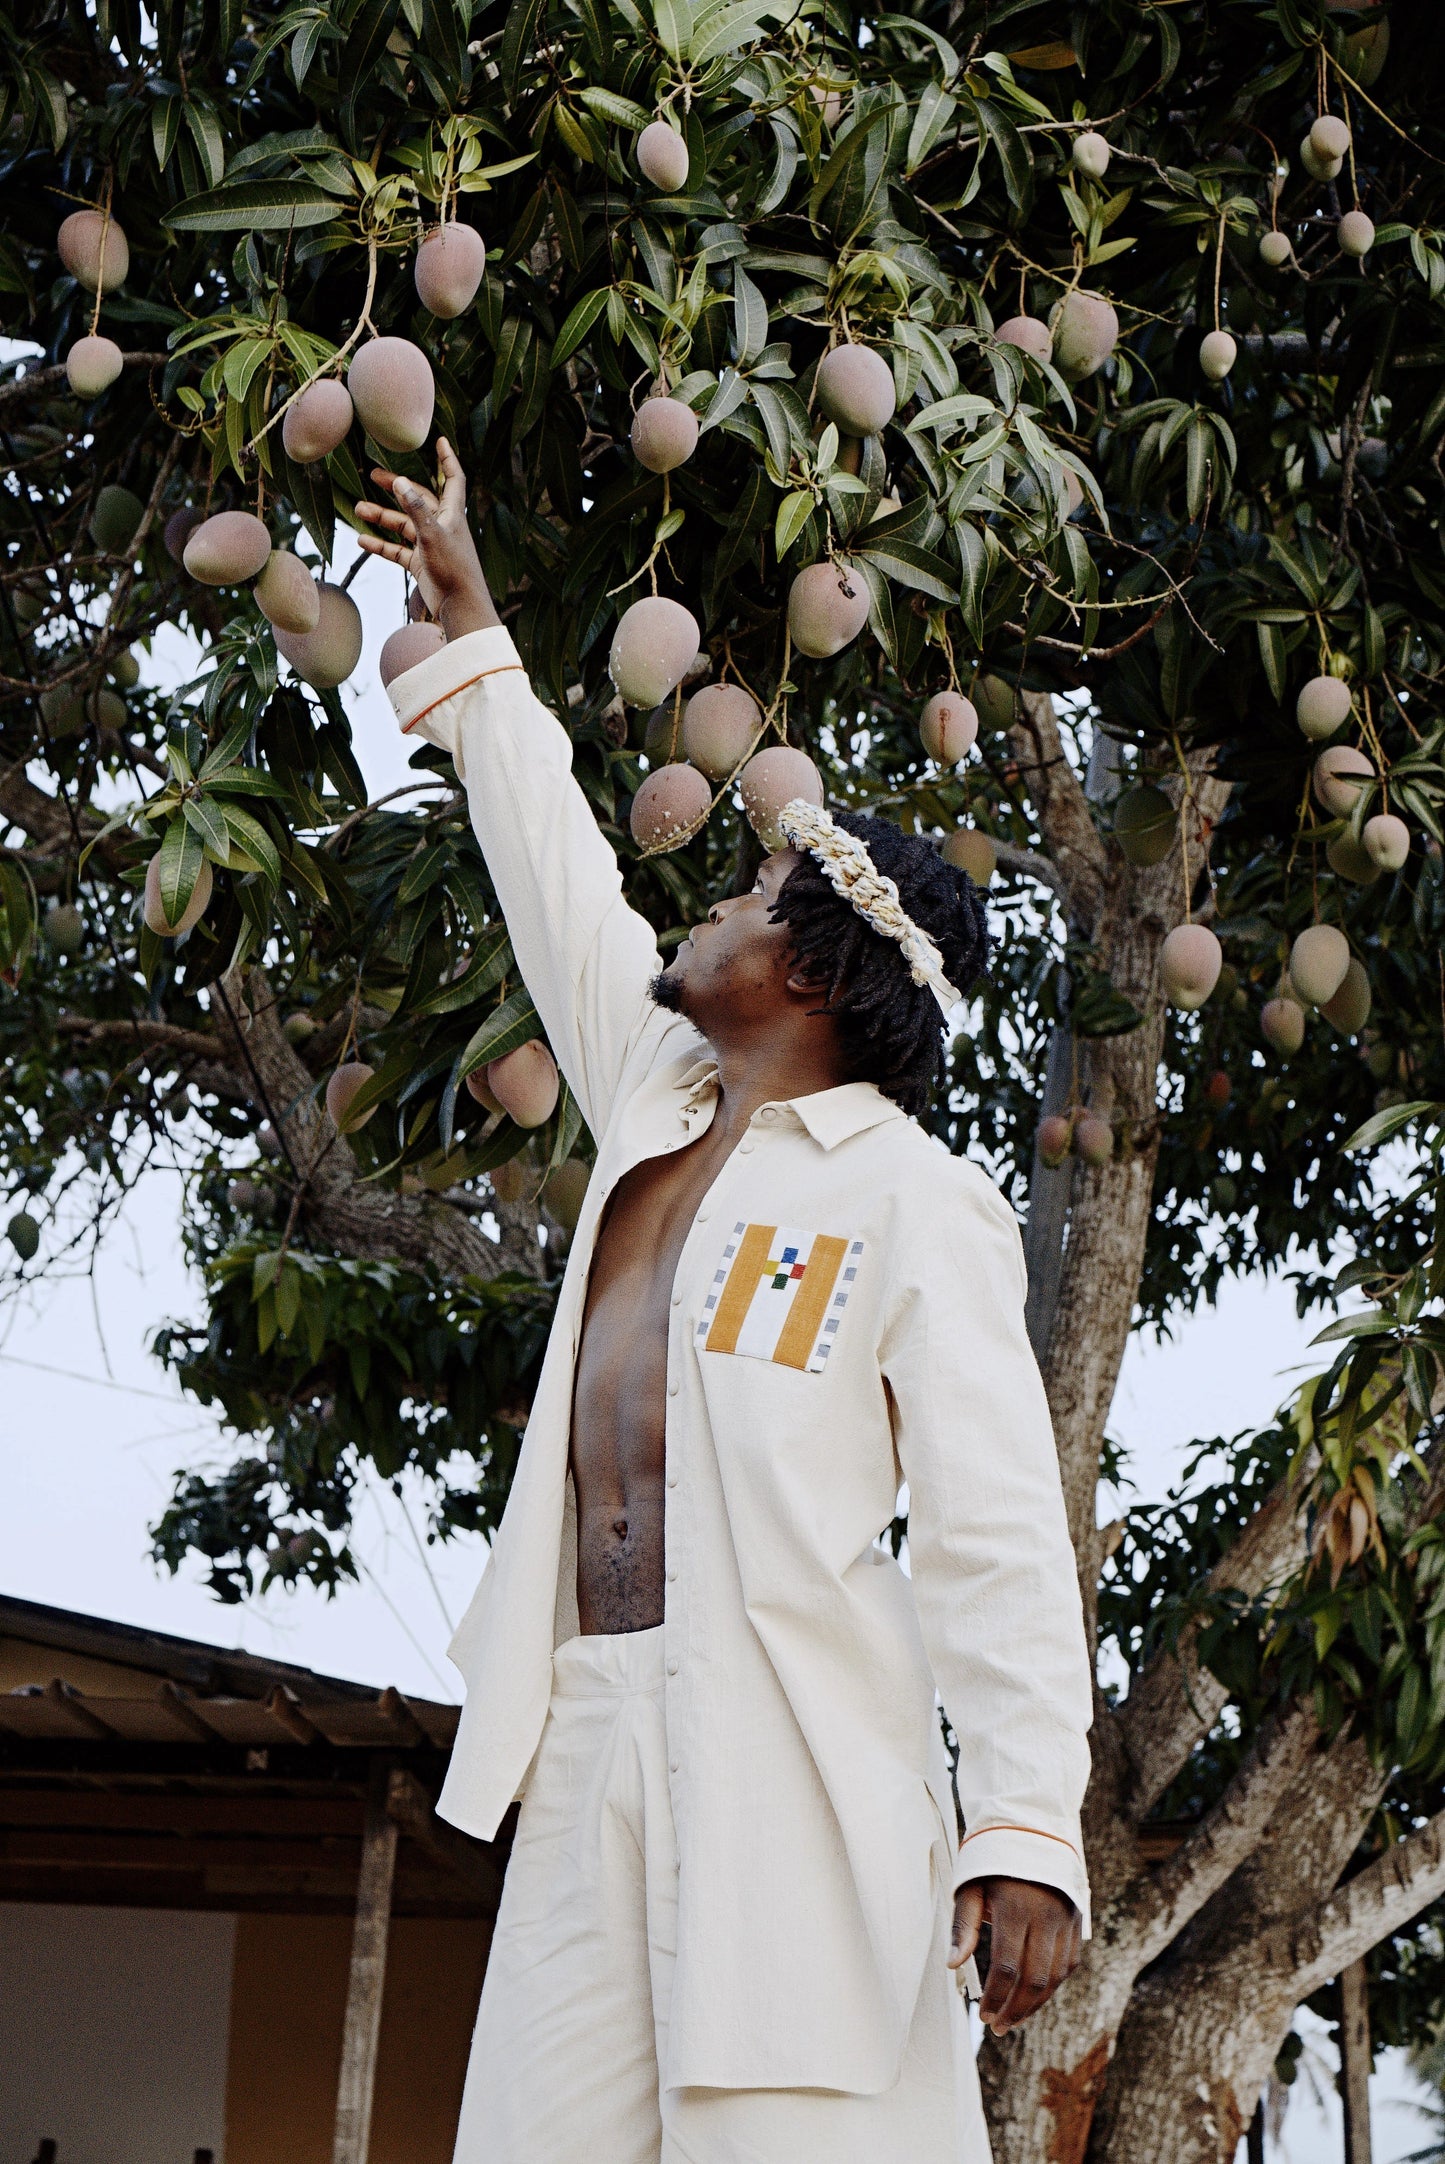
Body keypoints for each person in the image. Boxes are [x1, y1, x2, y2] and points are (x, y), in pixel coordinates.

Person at [356, 443, 1093, 2164]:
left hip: (794, 1758)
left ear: (821, 970)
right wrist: (475, 648)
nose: (714, 896)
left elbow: (997, 1537)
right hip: (593, 1722)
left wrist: (1026, 1834)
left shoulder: (916, 1204)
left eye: (756, 893)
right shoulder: (652, 1099)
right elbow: (549, 868)